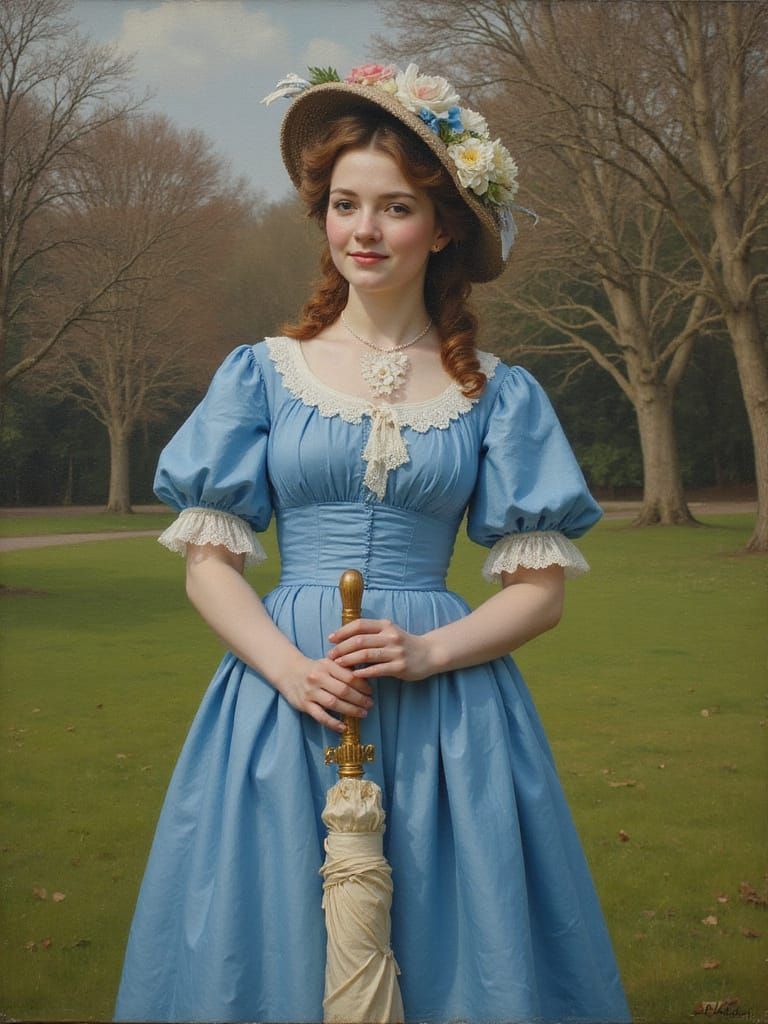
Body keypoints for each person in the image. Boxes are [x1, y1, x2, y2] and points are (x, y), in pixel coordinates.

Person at [115, 63, 631, 1023]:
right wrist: (289, 670)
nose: (364, 229)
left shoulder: (497, 394)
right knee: (269, 929)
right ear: (323, 219)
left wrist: (428, 651)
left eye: (395, 208)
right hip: (287, 691)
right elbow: (208, 563)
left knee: (455, 930)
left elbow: (541, 592)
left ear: (441, 229)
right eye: (345, 205)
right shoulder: (263, 374)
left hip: (447, 704)